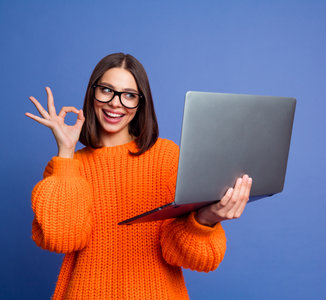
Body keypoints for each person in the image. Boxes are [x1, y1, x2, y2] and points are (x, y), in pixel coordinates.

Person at [26, 53, 253, 299]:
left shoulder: (167, 157)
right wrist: (67, 151)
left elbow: (199, 257)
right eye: (106, 90)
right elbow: (63, 238)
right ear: (92, 94)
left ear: (141, 103)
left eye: (129, 95)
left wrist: (206, 219)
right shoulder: (67, 165)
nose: (116, 103)